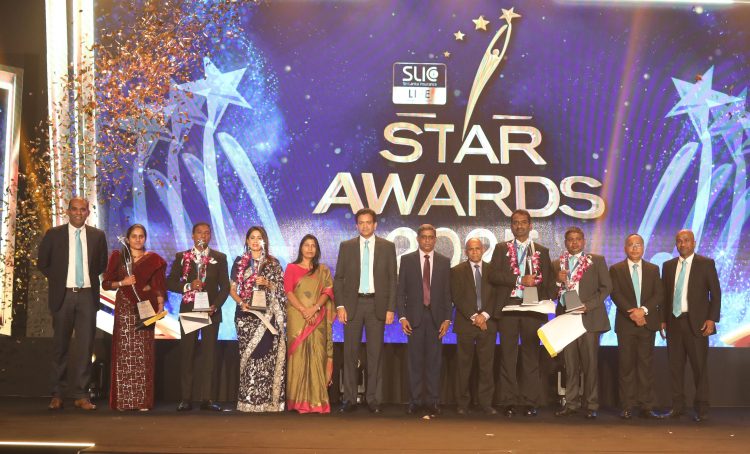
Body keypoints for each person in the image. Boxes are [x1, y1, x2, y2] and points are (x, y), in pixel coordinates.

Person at [37, 197, 108, 411]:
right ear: (68, 211)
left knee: (86, 347)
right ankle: (57, 394)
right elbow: (43, 263)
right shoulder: (54, 234)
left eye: (82, 209)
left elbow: (101, 264)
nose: (78, 213)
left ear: (88, 212)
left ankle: (81, 394)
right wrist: (60, 280)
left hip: (87, 296)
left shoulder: (97, 236)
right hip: (63, 295)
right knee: (60, 346)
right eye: (74, 209)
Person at [488, 209, 553, 417]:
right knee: (508, 356)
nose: (519, 226)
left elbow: (548, 282)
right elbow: (493, 275)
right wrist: (519, 280)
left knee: (531, 356)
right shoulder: (501, 249)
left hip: (532, 309)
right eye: (515, 222)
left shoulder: (541, 251)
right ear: (511, 226)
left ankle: (529, 401)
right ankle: (508, 400)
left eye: (523, 222)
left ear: (530, 225)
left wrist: (550, 297)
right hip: (508, 307)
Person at [333, 208, 397, 414]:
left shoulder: (387, 247)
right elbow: (339, 278)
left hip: (376, 306)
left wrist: (390, 308)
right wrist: (340, 306)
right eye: (361, 222)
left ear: (375, 224)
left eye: (368, 222)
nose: (365, 226)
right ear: (356, 225)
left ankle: (373, 399)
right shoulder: (347, 246)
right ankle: (349, 399)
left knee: (375, 354)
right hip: (352, 305)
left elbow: (392, 280)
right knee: (350, 354)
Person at [101, 224, 167, 411]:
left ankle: (142, 401)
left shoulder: (153, 260)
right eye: (134, 236)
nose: (138, 240)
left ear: (145, 238)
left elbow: (159, 286)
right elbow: (106, 284)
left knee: (143, 353)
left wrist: (160, 305)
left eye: (141, 236)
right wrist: (123, 282)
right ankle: (123, 401)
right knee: (124, 353)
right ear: (128, 238)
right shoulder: (119, 257)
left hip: (145, 308)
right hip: (124, 308)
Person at [167, 222, 230, 412]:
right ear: (193, 236)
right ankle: (186, 398)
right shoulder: (182, 257)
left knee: (209, 356)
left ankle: (207, 399)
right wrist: (187, 286)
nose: (203, 235)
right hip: (190, 311)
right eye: (199, 232)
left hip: (210, 311)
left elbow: (225, 287)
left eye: (207, 232)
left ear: (210, 236)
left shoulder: (219, 258)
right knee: (187, 354)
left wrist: (215, 306)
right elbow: (170, 282)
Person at [552, 227, 612, 419]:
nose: (574, 242)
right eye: (570, 239)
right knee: (570, 365)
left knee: (590, 364)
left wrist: (589, 306)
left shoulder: (597, 261)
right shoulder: (557, 264)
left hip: (589, 318)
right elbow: (550, 293)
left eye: (578, 239)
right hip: (567, 319)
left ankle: (591, 404)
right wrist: (557, 281)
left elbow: (606, 287)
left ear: (584, 241)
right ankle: (571, 403)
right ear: (565, 243)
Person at [662, 229, 721, 422]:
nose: (683, 244)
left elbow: (716, 294)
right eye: (679, 241)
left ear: (694, 243)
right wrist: (662, 320)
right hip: (673, 323)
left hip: (697, 324)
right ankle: (677, 407)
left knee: (699, 368)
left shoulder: (706, 263)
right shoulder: (668, 266)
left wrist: (711, 319)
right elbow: (664, 296)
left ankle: (702, 409)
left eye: (686, 240)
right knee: (675, 368)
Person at [230, 226, 287, 412]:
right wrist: (241, 303)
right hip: (246, 316)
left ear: (264, 241)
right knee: (249, 357)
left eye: (259, 237)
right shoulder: (240, 262)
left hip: (267, 316)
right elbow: (232, 289)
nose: (255, 241)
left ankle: (266, 402)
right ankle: (247, 400)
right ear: (247, 241)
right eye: (252, 238)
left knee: (266, 357)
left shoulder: (273, 263)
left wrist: (268, 283)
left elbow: (282, 289)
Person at [398, 224, 451, 416]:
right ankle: (415, 401)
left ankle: (432, 401)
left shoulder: (444, 262)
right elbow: (400, 292)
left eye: (431, 237)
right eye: (424, 237)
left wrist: (447, 319)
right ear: (418, 239)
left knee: (434, 363)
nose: (427, 240)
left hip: (436, 318)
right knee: (414, 362)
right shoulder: (407, 260)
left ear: (435, 239)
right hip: (414, 319)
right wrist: (402, 317)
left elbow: (447, 293)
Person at [609, 234, 664, 419]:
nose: (634, 248)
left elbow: (659, 294)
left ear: (643, 247)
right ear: (625, 248)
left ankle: (646, 406)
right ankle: (627, 406)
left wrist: (643, 311)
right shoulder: (616, 269)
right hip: (626, 324)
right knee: (626, 366)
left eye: (638, 245)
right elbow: (615, 294)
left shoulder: (653, 269)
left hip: (647, 323)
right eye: (631, 245)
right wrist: (632, 314)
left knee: (645, 366)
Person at [284, 234, 334, 413]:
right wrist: (304, 310)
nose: (310, 248)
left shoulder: (323, 270)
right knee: (298, 358)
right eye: (306, 245)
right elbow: (288, 292)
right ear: (301, 248)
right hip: (297, 317)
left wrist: (314, 309)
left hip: (317, 317)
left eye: (313, 245)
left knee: (317, 356)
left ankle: (317, 401)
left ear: (317, 249)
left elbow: (328, 291)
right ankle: (297, 402)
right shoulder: (291, 268)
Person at [451, 238, 497, 416]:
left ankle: (486, 404)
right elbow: (457, 297)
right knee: (464, 366)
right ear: (466, 252)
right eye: (471, 249)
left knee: (486, 366)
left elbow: (496, 296)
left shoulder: (493, 270)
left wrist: (484, 316)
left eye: (478, 248)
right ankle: (463, 404)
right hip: (466, 324)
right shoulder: (456, 271)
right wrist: (475, 317)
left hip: (487, 324)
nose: (475, 252)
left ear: (483, 250)